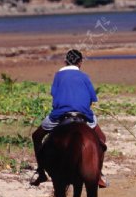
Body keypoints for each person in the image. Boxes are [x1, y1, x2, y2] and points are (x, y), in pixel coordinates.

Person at [30, 49, 108, 187]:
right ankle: (99, 175)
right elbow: (92, 99)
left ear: (65, 61)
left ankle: (41, 171)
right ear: (80, 62)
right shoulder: (85, 76)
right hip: (83, 114)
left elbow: (54, 95)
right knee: (101, 139)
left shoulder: (58, 75)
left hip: (60, 114)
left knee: (36, 136)